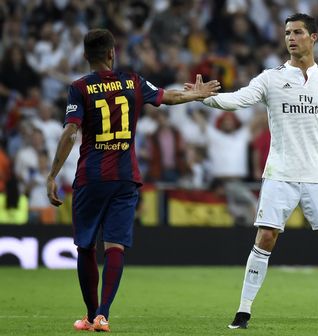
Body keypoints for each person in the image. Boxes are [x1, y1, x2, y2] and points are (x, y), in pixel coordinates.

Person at [46, 28, 220, 332]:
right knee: (115, 247)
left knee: (86, 247)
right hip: (126, 178)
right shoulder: (133, 82)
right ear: (113, 53)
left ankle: (89, 316)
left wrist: (52, 174)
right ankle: (103, 314)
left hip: (91, 177)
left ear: (86, 56)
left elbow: (70, 133)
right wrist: (195, 95)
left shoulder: (79, 88)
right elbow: (168, 96)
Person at [186, 13, 318, 329]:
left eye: (297, 32)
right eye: (287, 33)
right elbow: (238, 100)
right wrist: (206, 99)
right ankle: (243, 311)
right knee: (266, 236)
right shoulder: (270, 78)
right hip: (280, 173)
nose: (291, 38)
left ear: (313, 38)